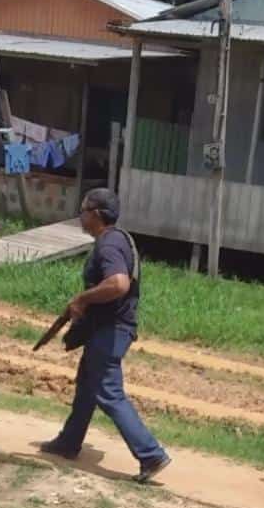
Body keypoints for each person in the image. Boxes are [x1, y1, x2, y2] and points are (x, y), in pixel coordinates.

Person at [40, 188, 171, 483]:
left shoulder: (109, 245)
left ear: (96, 214)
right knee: (88, 385)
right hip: (108, 330)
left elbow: (118, 284)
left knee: (109, 392)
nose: (80, 215)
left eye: (83, 210)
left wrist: (83, 299)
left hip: (110, 331)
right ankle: (69, 442)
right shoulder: (118, 239)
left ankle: (151, 454)